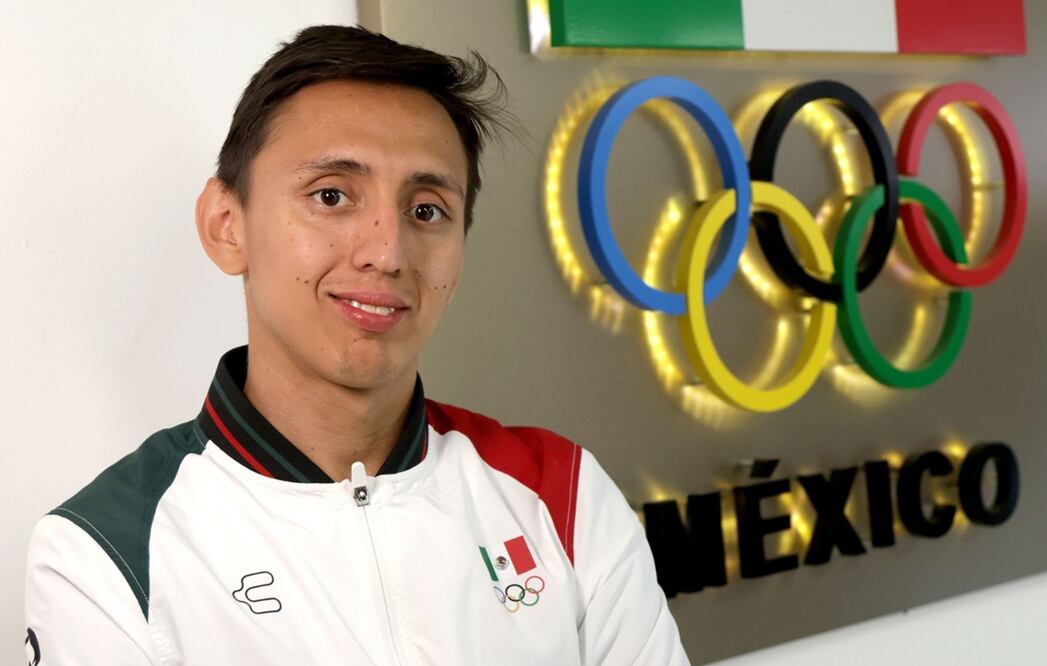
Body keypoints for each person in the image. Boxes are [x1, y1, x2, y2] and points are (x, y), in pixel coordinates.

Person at [24, 24, 688, 665]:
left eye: (426, 209)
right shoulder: (106, 550)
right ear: (227, 226)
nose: (387, 252)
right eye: (332, 195)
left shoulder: (560, 491)